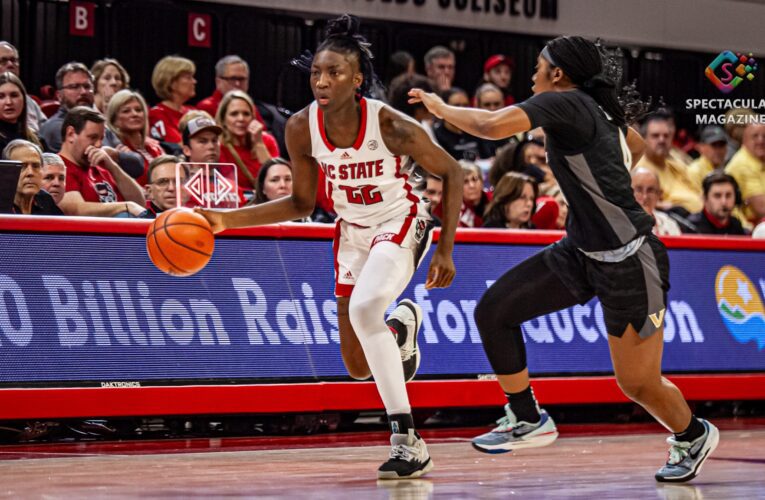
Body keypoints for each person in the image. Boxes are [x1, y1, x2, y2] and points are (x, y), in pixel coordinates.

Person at [410, 34, 718, 483]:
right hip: (581, 251)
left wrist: (440, 109)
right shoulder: (595, 111)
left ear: (557, 73)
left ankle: (692, 434)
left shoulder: (566, 102)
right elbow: (631, 145)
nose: (532, 73)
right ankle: (526, 415)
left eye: (538, 65)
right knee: (495, 311)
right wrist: (596, 187)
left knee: (637, 384)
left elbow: (494, 126)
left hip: (631, 261)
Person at [197, 15, 461, 480]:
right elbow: (300, 201)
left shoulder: (392, 125)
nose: (321, 80)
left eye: (334, 72)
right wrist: (225, 220)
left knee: (364, 310)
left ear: (357, 80)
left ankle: (408, 440)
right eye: (317, 72)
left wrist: (444, 250)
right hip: (352, 233)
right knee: (357, 367)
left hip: (401, 220)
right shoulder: (301, 128)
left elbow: (453, 172)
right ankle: (400, 330)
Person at [58, 106, 147, 217]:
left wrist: (113, 166)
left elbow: (140, 203)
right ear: (71, 134)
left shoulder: (101, 165)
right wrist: (125, 206)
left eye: (101, 138)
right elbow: (76, 209)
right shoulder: (59, 167)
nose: (99, 145)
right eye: (93, 137)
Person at [216, 90, 280, 204]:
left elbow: (276, 177)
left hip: (266, 204)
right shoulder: (217, 146)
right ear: (223, 119)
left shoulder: (266, 141)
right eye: (234, 114)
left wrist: (259, 144)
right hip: (233, 205)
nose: (241, 118)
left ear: (253, 117)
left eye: (246, 114)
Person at [636, 114, 702, 216]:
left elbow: (697, 191)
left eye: (666, 136)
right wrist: (667, 207)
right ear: (644, 139)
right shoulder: (640, 170)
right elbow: (641, 203)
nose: (662, 140)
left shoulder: (676, 164)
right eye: (655, 136)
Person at [105, 89, 164, 185]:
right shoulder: (117, 153)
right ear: (114, 120)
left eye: (138, 110)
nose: (135, 114)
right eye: (126, 111)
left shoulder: (155, 147)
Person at [39, 62, 95, 152]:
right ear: (59, 95)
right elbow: (90, 159)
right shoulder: (57, 128)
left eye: (87, 86)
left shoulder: (99, 124)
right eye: (74, 87)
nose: (83, 92)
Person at [2, 139, 62, 215]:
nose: (30, 172)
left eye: (35, 166)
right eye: (22, 166)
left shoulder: (45, 200)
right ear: (7, 172)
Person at [432, 88, 492, 161]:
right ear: (444, 108)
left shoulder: (476, 130)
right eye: (457, 106)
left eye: (465, 105)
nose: (462, 109)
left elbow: (487, 158)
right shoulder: (435, 134)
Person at [149, 55, 197, 147]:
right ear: (171, 83)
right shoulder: (157, 114)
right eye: (188, 77)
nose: (194, 81)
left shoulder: (192, 111)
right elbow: (177, 147)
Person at [0, 41, 46, 132]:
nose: (10, 64)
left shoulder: (29, 101)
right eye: (3, 61)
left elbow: (45, 130)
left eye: (14, 60)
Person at [725, 123, 765, 224]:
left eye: (764, 136)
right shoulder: (743, 164)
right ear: (744, 140)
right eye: (755, 136)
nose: (761, 141)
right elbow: (761, 209)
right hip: (743, 227)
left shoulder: (758, 159)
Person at [631, 167, 684, 236]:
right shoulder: (619, 224)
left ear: (659, 194)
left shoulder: (669, 224)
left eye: (650, 190)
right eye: (638, 190)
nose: (645, 196)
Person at [0, 72, 39, 150]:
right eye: (1, 97)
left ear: (24, 101)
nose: (9, 102)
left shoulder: (34, 139)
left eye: (14, 95)